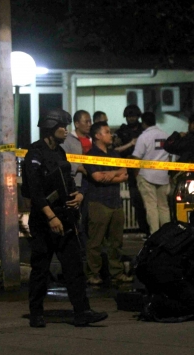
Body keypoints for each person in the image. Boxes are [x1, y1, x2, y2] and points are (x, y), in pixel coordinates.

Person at [23, 109, 107, 328]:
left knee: (73, 267)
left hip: (64, 215)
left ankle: (82, 312)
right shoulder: (35, 153)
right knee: (41, 268)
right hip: (44, 220)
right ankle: (36, 313)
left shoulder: (59, 152)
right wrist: (51, 217)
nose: (66, 131)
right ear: (51, 128)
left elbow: (66, 180)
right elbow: (34, 190)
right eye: (63, 127)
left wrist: (78, 195)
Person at [136, 206, 194, 322]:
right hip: (166, 276)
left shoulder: (172, 226)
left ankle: (154, 296)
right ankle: (155, 306)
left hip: (143, 271)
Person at [84, 121, 133, 285]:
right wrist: (116, 173)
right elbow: (97, 178)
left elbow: (125, 174)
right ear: (97, 136)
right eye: (106, 132)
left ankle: (116, 272)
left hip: (115, 202)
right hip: (99, 202)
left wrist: (110, 173)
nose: (110, 135)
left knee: (116, 242)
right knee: (95, 242)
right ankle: (93, 274)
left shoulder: (114, 155)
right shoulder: (91, 155)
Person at [131, 112, 171, 235]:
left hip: (147, 176)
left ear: (143, 123)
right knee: (164, 207)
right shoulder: (166, 135)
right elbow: (171, 156)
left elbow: (136, 158)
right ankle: (166, 235)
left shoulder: (144, 137)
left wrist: (136, 175)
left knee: (151, 207)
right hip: (163, 176)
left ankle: (155, 235)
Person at [114, 104, 150, 237]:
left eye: (133, 116)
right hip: (129, 170)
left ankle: (149, 229)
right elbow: (115, 146)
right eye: (129, 116)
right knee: (137, 200)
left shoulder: (144, 130)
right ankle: (144, 229)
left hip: (144, 169)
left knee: (149, 201)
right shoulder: (122, 131)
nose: (131, 118)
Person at [61, 110, 92, 247]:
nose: (89, 124)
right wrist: (79, 168)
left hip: (92, 184)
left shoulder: (92, 140)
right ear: (77, 123)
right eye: (86, 121)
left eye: (90, 121)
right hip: (77, 183)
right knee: (78, 219)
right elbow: (63, 161)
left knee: (90, 220)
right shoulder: (67, 141)